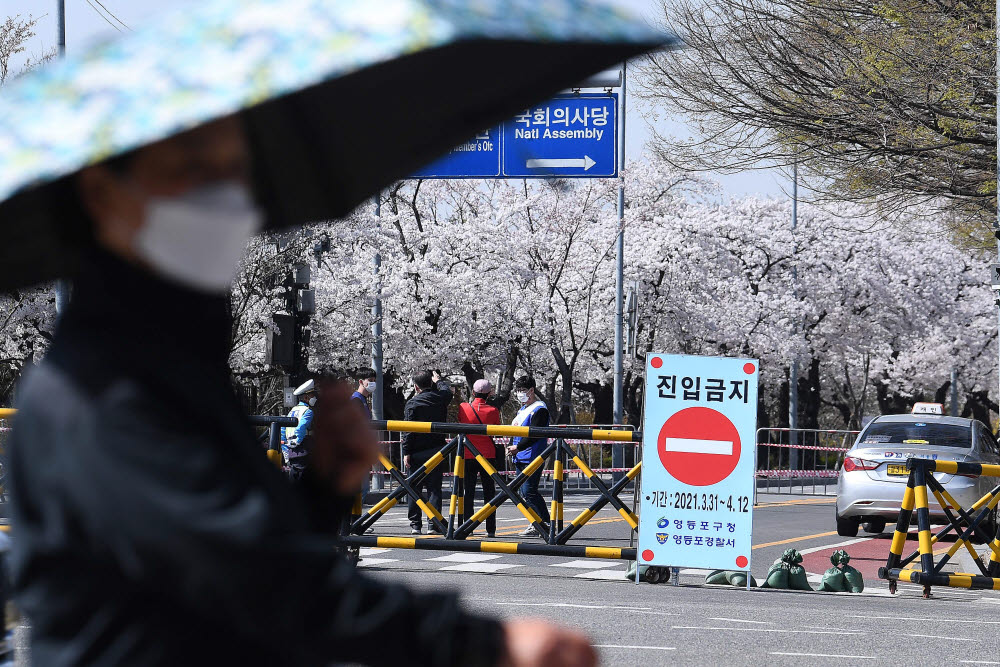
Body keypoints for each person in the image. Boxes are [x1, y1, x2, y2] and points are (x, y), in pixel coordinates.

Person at [6, 118, 595, 666]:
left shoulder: (166, 363)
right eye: (190, 170)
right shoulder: (102, 390)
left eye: (234, 173)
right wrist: (484, 645)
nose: (224, 197)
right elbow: (250, 579)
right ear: (102, 194)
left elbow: (217, 563)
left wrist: (321, 493)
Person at [401, 370, 452, 535]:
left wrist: (406, 451)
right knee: (434, 489)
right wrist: (439, 380)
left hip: (416, 451)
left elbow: (407, 431)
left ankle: (416, 524)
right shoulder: (440, 399)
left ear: (415, 387)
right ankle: (434, 523)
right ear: (431, 383)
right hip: (437, 450)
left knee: (414, 488)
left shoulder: (412, 403)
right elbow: (447, 391)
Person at [506, 376, 551, 538]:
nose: (519, 394)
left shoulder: (540, 409)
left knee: (529, 491)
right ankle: (538, 522)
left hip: (532, 455)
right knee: (525, 493)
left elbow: (535, 434)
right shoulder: (523, 409)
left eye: (522, 391)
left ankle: (544, 523)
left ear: (532, 390)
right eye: (517, 391)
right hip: (520, 456)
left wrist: (518, 447)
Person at [457, 379, 501, 538]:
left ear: (473, 392)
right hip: (488, 455)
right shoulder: (493, 411)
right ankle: (491, 529)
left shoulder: (463, 407)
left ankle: (467, 525)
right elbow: (496, 429)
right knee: (489, 493)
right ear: (489, 394)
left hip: (468, 454)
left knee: (468, 491)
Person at [350, 368, 377, 503]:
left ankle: (353, 522)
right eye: (370, 381)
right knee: (360, 489)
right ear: (361, 382)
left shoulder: (362, 400)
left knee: (362, 489)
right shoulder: (356, 401)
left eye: (374, 381)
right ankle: (351, 522)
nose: (373, 384)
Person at [284, 378, 317, 480]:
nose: (315, 397)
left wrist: (285, 449)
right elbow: (301, 427)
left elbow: (283, 429)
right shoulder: (308, 411)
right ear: (306, 397)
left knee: (294, 478)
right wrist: (297, 441)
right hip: (304, 448)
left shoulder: (292, 410)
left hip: (292, 450)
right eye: (312, 395)